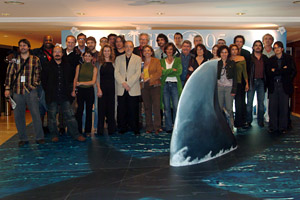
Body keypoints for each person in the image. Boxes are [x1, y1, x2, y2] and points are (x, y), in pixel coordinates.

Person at [4, 39, 45, 147]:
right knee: (18, 116)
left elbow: (38, 74)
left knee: (36, 114)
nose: (22, 47)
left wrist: (33, 86)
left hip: (31, 92)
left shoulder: (35, 59)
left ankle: (39, 137)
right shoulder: (14, 60)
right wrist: (7, 89)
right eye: (20, 46)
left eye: (24, 45)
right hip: (17, 92)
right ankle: (23, 138)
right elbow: (9, 75)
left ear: (29, 47)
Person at [42, 46, 86, 142]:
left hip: (65, 95)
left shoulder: (67, 66)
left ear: (62, 54)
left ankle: (75, 134)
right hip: (52, 95)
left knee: (70, 116)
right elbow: (44, 82)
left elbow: (71, 80)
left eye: (59, 52)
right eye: (55, 52)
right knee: (52, 117)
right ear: (52, 54)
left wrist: (71, 91)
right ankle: (54, 135)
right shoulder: (47, 66)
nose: (57, 53)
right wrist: (49, 91)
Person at [267, 41, 297, 134]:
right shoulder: (271, 59)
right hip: (273, 85)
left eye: (278, 48)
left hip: (284, 85)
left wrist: (276, 71)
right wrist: (282, 70)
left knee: (284, 107)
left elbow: (292, 71)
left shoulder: (289, 59)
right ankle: (273, 127)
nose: (276, 49)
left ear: (282, 49)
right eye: (275, 48)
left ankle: (283, 127)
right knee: (272, 107)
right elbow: (268, 73)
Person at [115, 41, 142, 135]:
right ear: (124, 47)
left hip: (132, 88)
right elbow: (116, 73)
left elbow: (138, 73)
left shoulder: (138, 59)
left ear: (133, 48)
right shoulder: (118, 59)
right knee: (122, 109)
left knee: (133, 109)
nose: (128, 48)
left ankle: (135, 128)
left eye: (130, 47)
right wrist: (123, 83)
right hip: (121, 87)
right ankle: (123, 127)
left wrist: (128, 84)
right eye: (126, 46)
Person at [72, 50, 98, 136]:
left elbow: (93, 81)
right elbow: (75, 78)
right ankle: (78, 130)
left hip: (89, 91)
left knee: (89, 111)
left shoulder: (94, 68)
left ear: (92, 57)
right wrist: (73, 89)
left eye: (89, 56)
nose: (87, 57)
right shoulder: (79, 66)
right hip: (80, 91)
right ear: (83, 57)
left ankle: (87, 131)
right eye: (85, 56)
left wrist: (81, 83)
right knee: (79, 110)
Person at [32, 35, 55, 132]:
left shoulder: (57, 50)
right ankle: (40, 127)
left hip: (54, 82)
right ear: (43, 41)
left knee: (51, 105)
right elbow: (23, 52)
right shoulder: (37, 52)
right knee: (40, 105)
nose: (48, 41)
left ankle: (52, 126)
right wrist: (12, 53)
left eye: (50, 40)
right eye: (46, 40)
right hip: (41, 82)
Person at [245, 40, 269, 128]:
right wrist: (246, 82)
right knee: (249, 103)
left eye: (259, 45)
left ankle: (260, 121)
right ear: (253, 47)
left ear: (262, 47)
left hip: (262, 82)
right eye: (256, 45)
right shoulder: (249, 58)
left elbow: (267, 71)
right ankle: (248, 121)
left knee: (261, 103)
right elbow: (246, 71)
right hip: (252, 81)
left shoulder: (265, 58)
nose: (258, 47)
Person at [160, 43, 182, 133]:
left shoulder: (177, 60)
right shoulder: (161, 61)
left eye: (171, 49)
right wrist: (172, 70)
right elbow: (161, 73)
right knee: (167, 107)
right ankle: (168, 127)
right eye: (167, 49)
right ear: (165, 50)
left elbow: (179, 72)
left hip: (175, 85)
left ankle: (176, 126)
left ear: (173, 51)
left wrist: (166, 71)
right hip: (165, 85)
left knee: (176, 107)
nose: (169, 51)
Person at [141, 45, 163, 134]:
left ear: (151, 52)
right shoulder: (141, 62)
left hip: (155, 86)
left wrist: (150, 78)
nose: (147, 52)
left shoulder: (156, 61)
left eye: (148, 50)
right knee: (147, 107)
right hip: (144, 86)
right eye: (145, 50)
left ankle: (157, 127)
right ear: (143, 52)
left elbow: (159, 73)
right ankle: (149, 127)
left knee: (156, 107)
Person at [96, 44, 117, 135]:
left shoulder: (114, 63)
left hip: (112, 89)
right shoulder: (99, 63)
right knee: (101, 110)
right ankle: (100, 130)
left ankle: (111, 130)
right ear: (102, 52)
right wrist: (99, 89)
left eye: (108, 51)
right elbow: (96, 78)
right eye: (105, 51)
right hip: (102, 89)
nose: (107, 52)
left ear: (111, 52)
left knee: (111, 110)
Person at [217, 45, 237, 132]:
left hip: (229, 88)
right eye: (222, 52)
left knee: (229, 108)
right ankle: (220, 128)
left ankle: (231, 128)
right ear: (220, 54)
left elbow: (235, 77)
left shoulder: (232, 63)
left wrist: (234, 89)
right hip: (219, 88)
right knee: (219, 108)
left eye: (225, 52)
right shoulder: (217, 63)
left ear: (228, 53)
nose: (224, 54)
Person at [229, 44, 249, 132]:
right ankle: (229, 123)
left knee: (239, 104)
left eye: (235, 49)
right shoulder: (227, 59)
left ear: (238, 50)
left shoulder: (242, 58)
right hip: (229, 84)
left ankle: (239, 123)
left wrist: (247, 83)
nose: (234, 51)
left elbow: (245, 72)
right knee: (228, 104)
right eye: (232, 49)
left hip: (239, 83)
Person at [262, 33, 275, 124]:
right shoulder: (259, 52)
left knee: (269, 99)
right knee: (261, 99)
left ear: (272, 41)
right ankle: (262, 115)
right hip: (262, 79)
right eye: (266, 39)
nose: (267, 40)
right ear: (263, 41)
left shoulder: (276, 52)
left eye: (269, 39)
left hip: (273, 79)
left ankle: (268, 115)